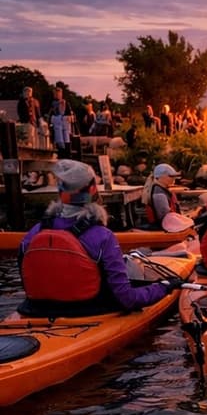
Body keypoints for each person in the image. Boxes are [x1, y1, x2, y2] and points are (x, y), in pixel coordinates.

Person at [17, 160, 181, 317]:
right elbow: (128, 299)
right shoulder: (103, 237)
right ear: (93, 191)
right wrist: (164, 287)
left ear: (60, 192)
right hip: (90, 311)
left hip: (36, 310)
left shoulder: (33, 233)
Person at [141, 163, 182, 228]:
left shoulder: (162, 189)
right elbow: (165, 217)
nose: (174, 178)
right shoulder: (159, 193)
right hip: (164, 226)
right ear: (160, 177)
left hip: (168, 222)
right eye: (170, 176)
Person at [49, 86, 75, 157]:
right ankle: (60, 153)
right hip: (56, 124)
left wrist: (69, 118)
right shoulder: (52, 103)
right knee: (58, 139)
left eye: (58, 93)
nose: (57, 95)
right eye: (55, 93)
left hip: (65, 124)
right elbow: (50, 114)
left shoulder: (66, 103)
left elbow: (70, 114)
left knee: (66, 139)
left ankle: (67, 154)